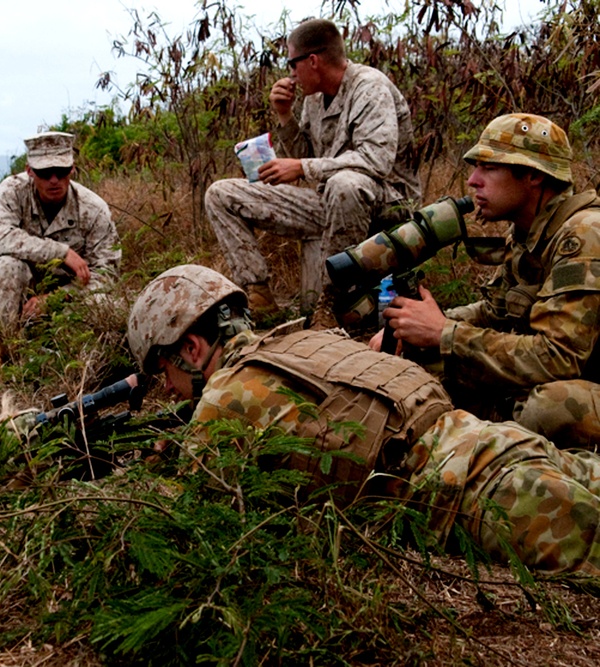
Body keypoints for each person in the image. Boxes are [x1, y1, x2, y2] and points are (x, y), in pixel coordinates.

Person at [127, 264, 600, 575]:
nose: (166, 389)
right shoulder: (309, 340)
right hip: (502, 443)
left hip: (479, 497)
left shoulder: (222, 399)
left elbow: (184, 516)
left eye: (164, 370)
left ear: (191, 349)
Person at [371, 113, 600, 444]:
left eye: (489, 168)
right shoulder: (528, 232)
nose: (472, 180)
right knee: (431, 360)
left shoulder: (584, 235)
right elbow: (496, 310)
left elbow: (558, 358)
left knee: (550, 407)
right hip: (572, 377)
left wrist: (444, 333)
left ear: (533, 176)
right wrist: (415, 325)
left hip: (578, 383)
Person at [204, 18, 420, 318]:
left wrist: (303, 168)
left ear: (313, 61)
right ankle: (258, 294)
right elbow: (307, 153)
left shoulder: (370, 88)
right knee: (220, 194)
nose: (291, 74)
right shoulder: (315, 99)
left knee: (345, 185)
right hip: (331, 200)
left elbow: (376, 161)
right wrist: (284, 116)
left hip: (387, 204)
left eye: (293, 64)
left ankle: (333, 303)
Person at [0, 131, 121, 336]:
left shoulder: (94, 209)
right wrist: (60, 252)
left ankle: (72, 357)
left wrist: (54, 298)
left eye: (61, 171)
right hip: (25, 286)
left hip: (71, 294)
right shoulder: (12, 191)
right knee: (7, 266)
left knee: (101, 302)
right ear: (30, 171)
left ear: (72, 169)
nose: (54, 180)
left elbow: (107, 273)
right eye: (45, 173)